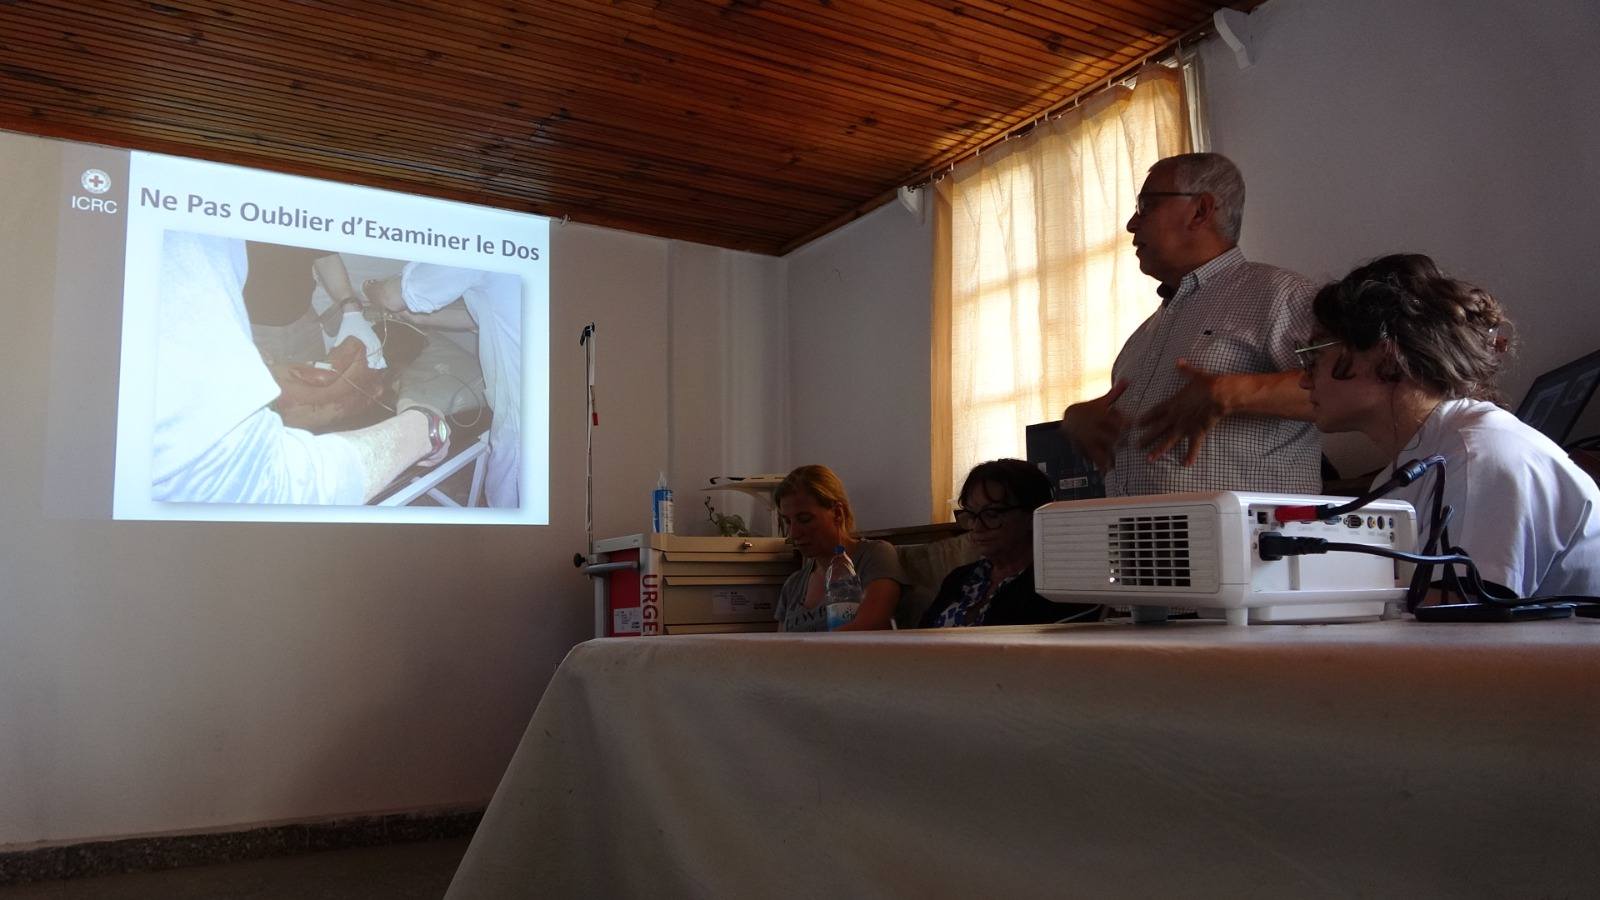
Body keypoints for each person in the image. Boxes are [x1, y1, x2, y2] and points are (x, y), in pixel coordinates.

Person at [1299, 254, 1599, 600]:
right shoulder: (1409, 469)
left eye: (1314, 355)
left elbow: (1459, 618)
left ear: (1387, 359)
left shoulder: (1479, 459)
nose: (1304, 380)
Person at [1061, 152, 1321, 496]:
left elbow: (1350, 389)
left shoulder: (1281, 294)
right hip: (1137, 530)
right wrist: (1076, 419)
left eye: (1146, 206)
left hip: (1241, 531)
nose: (1131, 224)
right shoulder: (1141, 338)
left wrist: (1231, 392)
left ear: (1200, 210)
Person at [153, 232, 447, 504]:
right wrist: (240, 339)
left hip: (304, 319)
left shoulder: (301, 207)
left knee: (323, 396)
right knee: (274, 413)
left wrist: (351, 308)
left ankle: (315, 459)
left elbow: (324, 253)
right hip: (255, 330)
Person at [364, 263, 522, 508]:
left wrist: (368, 288)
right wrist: (415, 316)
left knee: (510, 501)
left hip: (524, 417)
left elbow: (390, 297)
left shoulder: (473, 246)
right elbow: (480, 312)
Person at [919, 459, 1102, 627]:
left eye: (991, 514)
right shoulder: (958, 578)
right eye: (971, 515)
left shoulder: (1056, 587)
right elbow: (920, 634)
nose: (976, 527)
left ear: (1032, 516)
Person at [772, 465, 909, 632]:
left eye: (805, 519)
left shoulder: (874, 557)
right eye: (788, 521)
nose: (793, 533)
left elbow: (870, 626)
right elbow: (779, 643)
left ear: (837, 513)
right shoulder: (793, 585)